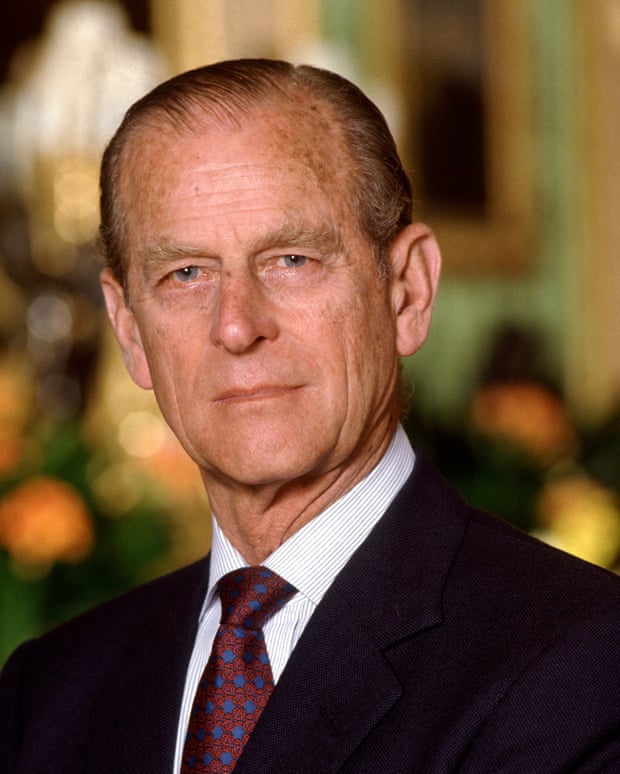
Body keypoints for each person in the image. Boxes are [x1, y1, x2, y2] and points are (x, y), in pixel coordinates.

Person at [1, 58, 619, 774]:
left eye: (291, 259)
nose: (237, 326)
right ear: (131, 330)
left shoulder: (581, 662)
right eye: (186, 274)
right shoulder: (45, 695)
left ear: (407, 293)